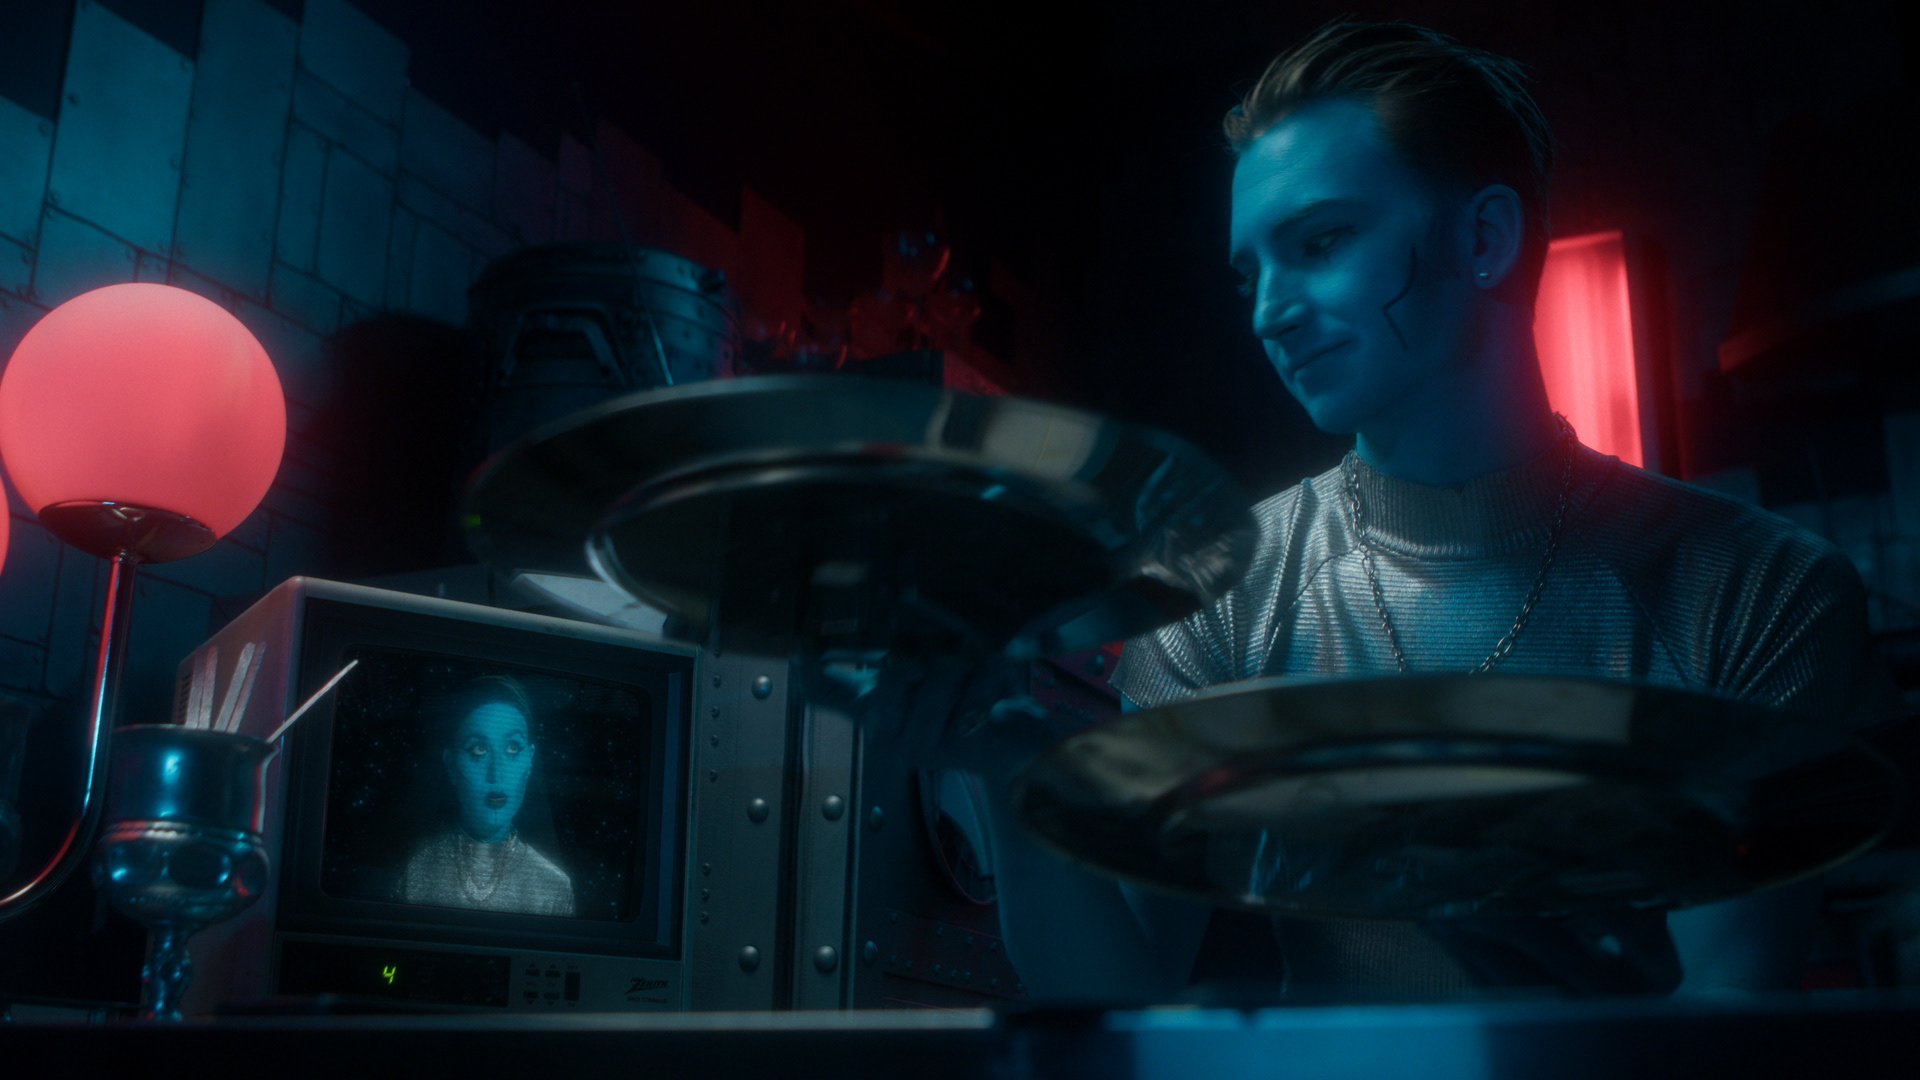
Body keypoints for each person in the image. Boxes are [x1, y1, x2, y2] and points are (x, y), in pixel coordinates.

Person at [918, 20, 1903, 1003]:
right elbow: (1118, 992)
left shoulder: (1761, 591)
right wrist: (1009, 778)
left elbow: (1727, 1018)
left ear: (1483, 239)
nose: (1268, 313)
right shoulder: (1218, 592)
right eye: (1250, 273)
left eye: (1322, 241)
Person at [398, 675, 577, 917]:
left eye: (512, 748)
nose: (496, 774)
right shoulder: (417, 872)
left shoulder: (554, 887)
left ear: (529, 760)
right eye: (479, 749)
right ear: (451, 765)